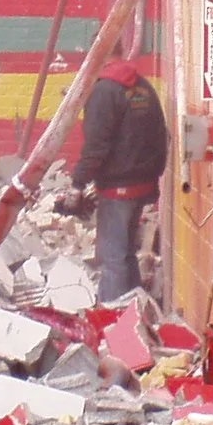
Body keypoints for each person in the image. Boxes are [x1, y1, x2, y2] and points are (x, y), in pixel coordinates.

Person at [72, 52, 168, 302]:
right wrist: (154, 174)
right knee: (125, 254)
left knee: (113, 256)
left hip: (118, 187)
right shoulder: (143, 87)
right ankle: (134, 312)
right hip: (142, 183)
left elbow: (96, 145)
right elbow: (161, 134)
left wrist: (78, 183)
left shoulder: (105, 91)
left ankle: (112, 320)